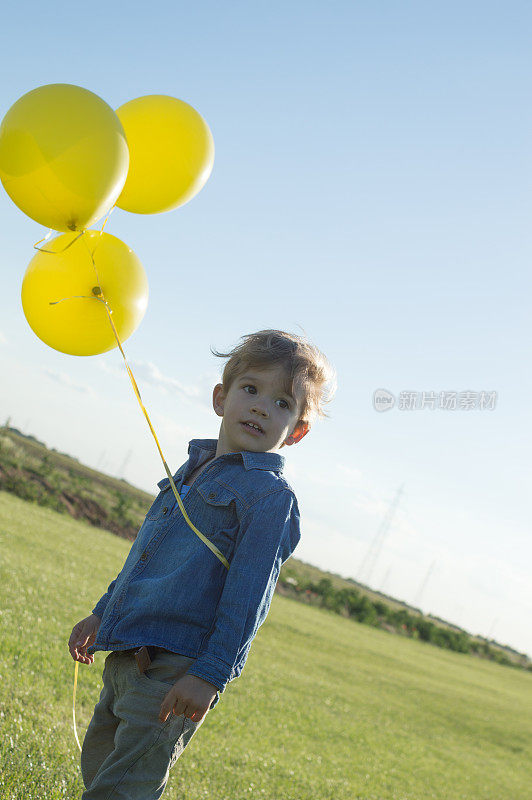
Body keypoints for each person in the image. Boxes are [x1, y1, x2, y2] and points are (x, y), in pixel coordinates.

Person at [68, 329, 335, 800]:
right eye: (250, 389)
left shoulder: (270, 500)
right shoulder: (192, 469)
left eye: (281, 403)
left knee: (121, 788)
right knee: (100, 766)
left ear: (297, 431)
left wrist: (209, 674)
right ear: (221, 397)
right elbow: (146, 556)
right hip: (128, 655)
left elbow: (249, 598)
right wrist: (102, 612)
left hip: (176, 669)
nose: (259, 407)